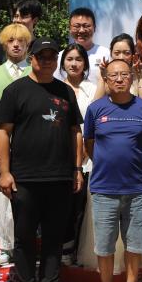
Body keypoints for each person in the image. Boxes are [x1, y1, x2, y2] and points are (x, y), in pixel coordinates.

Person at [0, 38, 84, 282]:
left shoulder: (65, 91)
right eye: (41, 56)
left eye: (51, 56)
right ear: (31, 58)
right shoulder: (15, 90)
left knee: (54, 236)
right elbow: (3, 133)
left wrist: (77, 168)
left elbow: (75, 131)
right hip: (24, 178)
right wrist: (4, 172)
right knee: (24, 236)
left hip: (59, 176)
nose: (47, 61)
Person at [83, 57, 142, 282]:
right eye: (113, 75)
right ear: (105, 80)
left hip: (136, 187)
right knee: (104, 244)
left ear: (132, 78)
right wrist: (107, 162)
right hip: (104, 187)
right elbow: (89, 143)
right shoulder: (96, 109)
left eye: (124, 74)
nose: (119, 79)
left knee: (134, 243)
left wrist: (133, 162)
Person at [0, 23, 31, 267]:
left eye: (21, 41)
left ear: (27, 45)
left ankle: (26, 244)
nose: (16, 45)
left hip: (30, 142)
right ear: (4, 45)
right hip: (1, 141)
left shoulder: (36, 71)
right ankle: (5, 246)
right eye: (11, 41)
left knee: (28, 196)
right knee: (2, 195)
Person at [61, 43, 96, 266]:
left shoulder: (93, 89)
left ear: (85, 63)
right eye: (69, 59)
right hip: (60, 154)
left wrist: (86, 147)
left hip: (88, 155)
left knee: (82, 205)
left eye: (79, 59)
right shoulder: (55, 87)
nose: (74, 64)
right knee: (64, 206)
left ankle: (79, 250)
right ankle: (65, 249)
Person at [57, 7, 109, 85]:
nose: (81, 30)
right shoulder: (60, 56)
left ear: (94, 28)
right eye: (76, 26)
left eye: (86, 26)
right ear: (69, 28)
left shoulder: (106, 54)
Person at [0, 0, 42, 67]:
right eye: (16, 16)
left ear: (35, 20)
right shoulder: (4, 46)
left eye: (23, 17)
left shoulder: (40, 47)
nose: (18, 20)